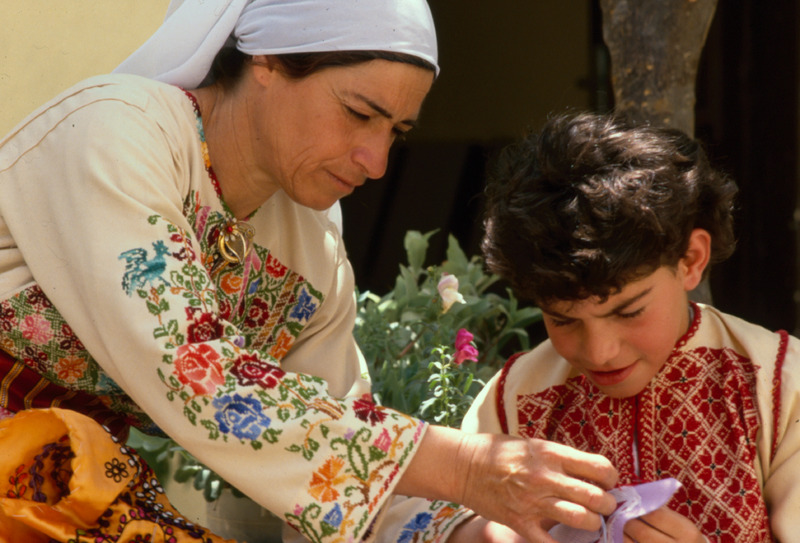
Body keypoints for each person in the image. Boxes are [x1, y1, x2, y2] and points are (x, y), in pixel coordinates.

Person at [0, 2, 620, 542]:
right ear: (267, 60)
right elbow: (198, 374)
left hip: (63, 485)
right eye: (358, 113)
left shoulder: (311, 253)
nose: (376, 162)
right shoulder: (118, 130)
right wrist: (465, 468)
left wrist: (468, 532)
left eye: (396, 132)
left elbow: (340, 454)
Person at [459, 111, 799, 542]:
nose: (599, 352)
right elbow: (441, 522)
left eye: (629, 311)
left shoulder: (782, 386)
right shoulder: (512, 399)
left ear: (691, 260)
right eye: (562, 319)